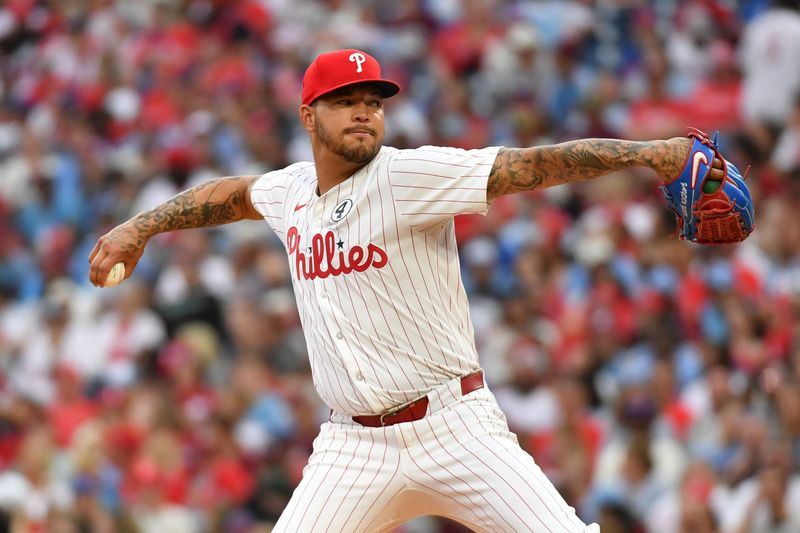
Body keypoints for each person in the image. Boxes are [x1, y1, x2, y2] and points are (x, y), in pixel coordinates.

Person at [89, 49, 725, 532]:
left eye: (374, 99)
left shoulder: (405, 175)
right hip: (352, 446)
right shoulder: (290, 192)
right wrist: (140, 226)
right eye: (347, 100)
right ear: (310, 116)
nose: (365, 111)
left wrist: (649, 152)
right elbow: (228, 196)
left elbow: (528, 165)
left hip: (455, 428)